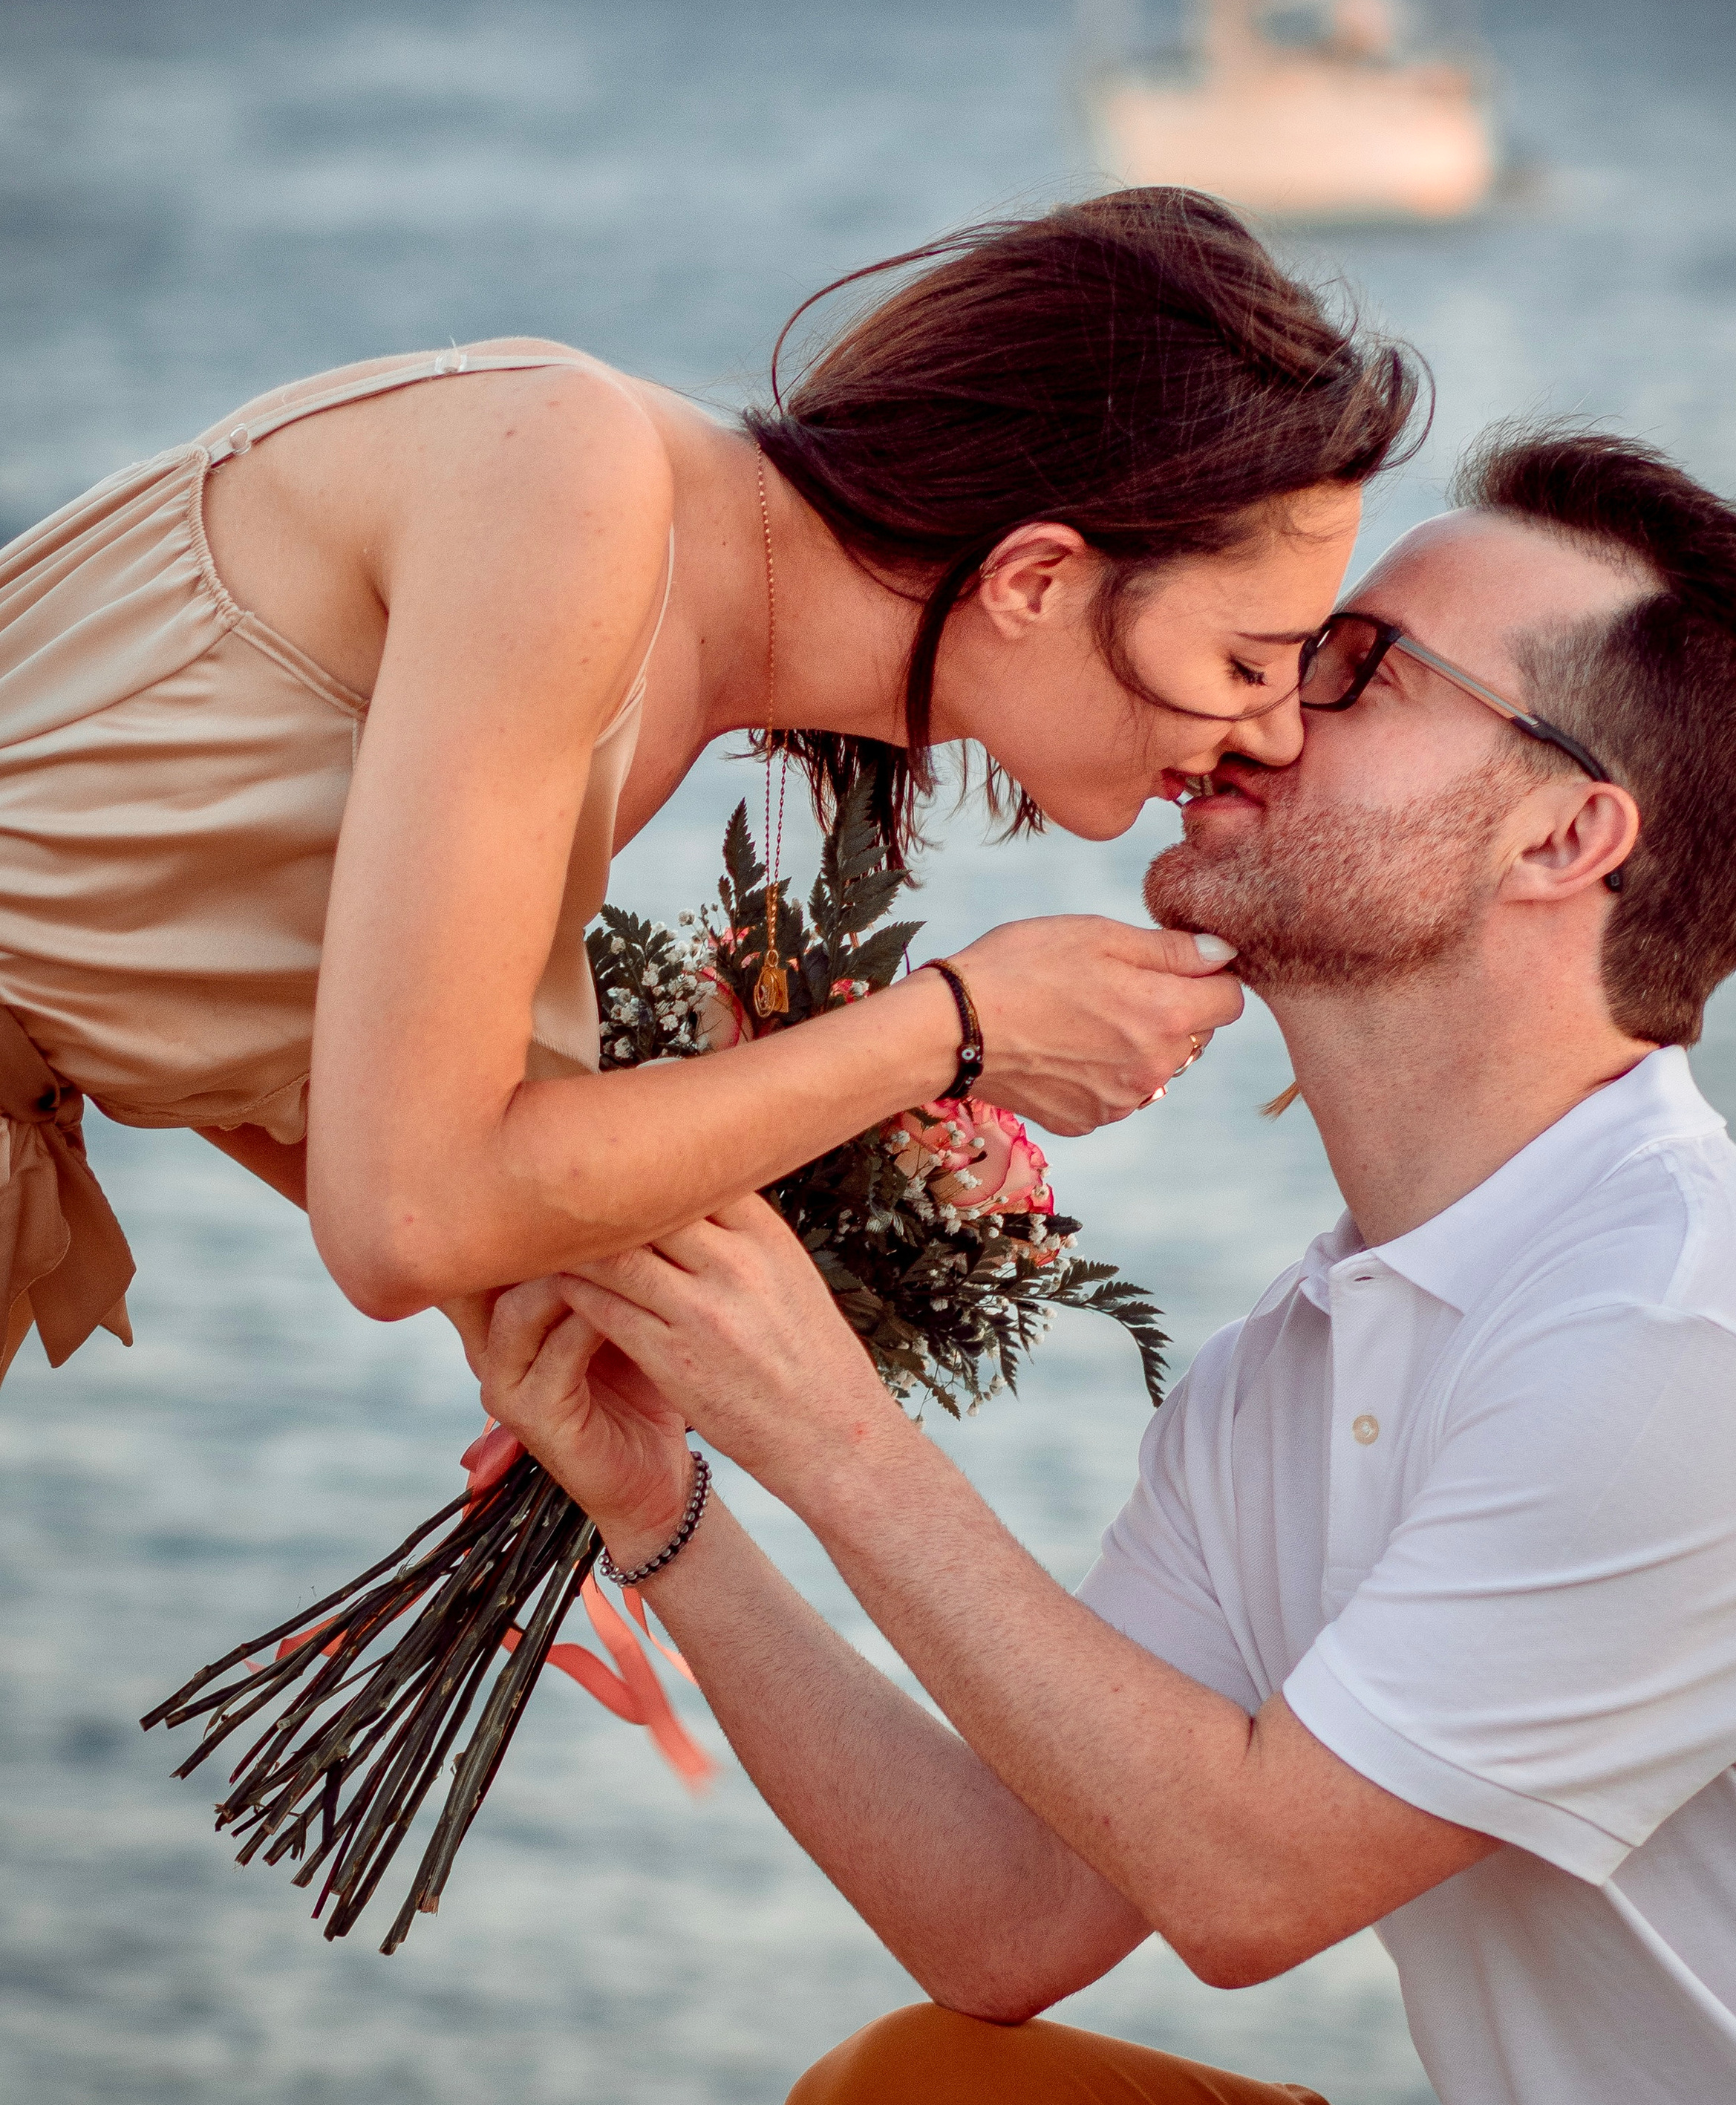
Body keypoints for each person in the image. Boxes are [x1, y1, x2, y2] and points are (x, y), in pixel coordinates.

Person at [469, 426, 1736, 2105]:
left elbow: (1245, 1888)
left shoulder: (1690, 1336)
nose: (1260, 717)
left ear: (1563, 834)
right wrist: (658, 1505)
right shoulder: (1298, 1359)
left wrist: (824, 1423)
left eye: (1356, 670)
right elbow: (1008, 1918)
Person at [0, 188, 1420, 1383]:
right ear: (1036, 578)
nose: (1277, 737)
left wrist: (549, 1324)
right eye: (1249, 662)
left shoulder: (668, 626)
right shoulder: (572, 491)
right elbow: (405, 1217)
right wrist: (957, 1028)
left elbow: (226, 997)